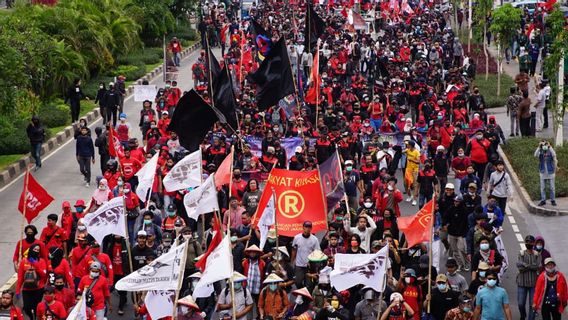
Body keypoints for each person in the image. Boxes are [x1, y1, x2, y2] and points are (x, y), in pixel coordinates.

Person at [16, 243, 47, 319]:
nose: (36, 251)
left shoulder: (42, 261)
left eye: (38, 250)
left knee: (36, 307)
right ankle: (31, 317)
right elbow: (20, 277)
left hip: (38, 289)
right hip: (27, 289)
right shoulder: (24, 261)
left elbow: (44, 275)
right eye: (35, 249)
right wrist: (17, 290)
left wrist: (36, 264)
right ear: (31, 250)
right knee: (27, 307)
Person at [517, 235, 541, 320]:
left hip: (533, 284)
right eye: (527, 242)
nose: (529, 243)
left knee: (532, 304)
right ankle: (523, 316)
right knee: (520, 303)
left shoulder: (537, 254)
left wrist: (525, 265)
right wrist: (531, 266)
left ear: (533, 243)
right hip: (521, 283)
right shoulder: (521, 253)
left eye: (531, 242)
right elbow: (519, 267)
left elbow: (538, 267)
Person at [291, 221, 321, 289]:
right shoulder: (297, 238)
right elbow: (294, 250)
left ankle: (306, 297)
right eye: (306, 227)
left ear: (311, 228)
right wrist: (292, 261)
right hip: (299, 264)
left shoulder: (314, 239)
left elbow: (317, 252)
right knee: (297, 281)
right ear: (303, 227)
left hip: (309, 265)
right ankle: (301, 292)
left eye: (309, 227)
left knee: (309, 284)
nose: (307, 228)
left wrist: (314, 263)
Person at [534, 141, 557, 206]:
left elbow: (554, 154)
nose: (545, 147)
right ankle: (543, 200)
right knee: (543, 188)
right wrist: (539, 147)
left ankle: (553, 200)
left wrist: (550, 147)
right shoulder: (540, 152)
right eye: (544, 145)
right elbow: (535, 155)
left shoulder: (550, 151)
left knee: (552, 188)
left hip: (551, 172)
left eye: (546, 145)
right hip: (542, 172)